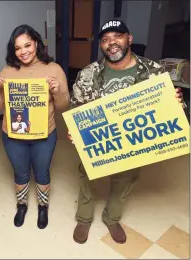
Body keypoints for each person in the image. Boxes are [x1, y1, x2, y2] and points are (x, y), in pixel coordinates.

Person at [69, 19, 186, 244]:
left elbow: (172, 112)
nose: (111, 43)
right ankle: (84, 218)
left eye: (117, 36)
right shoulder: (88, 74)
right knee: (87, 175)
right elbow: (77, 108)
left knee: (125, 178)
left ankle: (112, 218)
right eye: (105, 39)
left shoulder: (153, 71)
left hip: (134, 140)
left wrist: (177, 102)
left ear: (129, 39)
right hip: (99, 139)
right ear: (101, 46)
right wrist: (76, 129)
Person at [0, 25, 70, 229]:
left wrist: (57, 90)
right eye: (17, 48)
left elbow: (62, 106)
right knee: (20, 173)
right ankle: (22, 205)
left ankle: (43, 207)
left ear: (36, 43)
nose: (23, 51)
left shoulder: (53, 69)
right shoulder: (8, 71)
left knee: (42, 173)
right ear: (13, 50)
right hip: (13, 135)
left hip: (44, 134)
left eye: (27, 45)